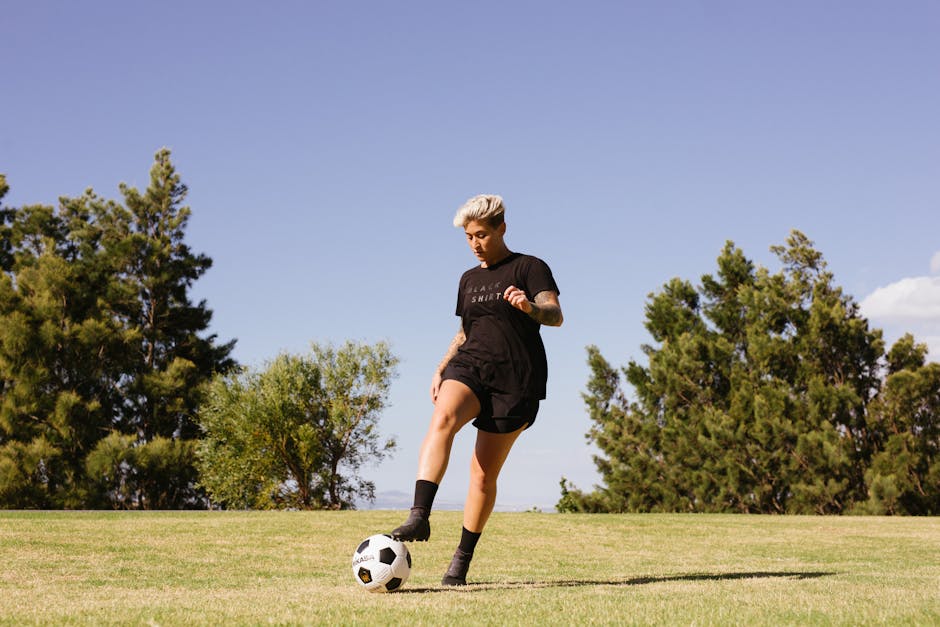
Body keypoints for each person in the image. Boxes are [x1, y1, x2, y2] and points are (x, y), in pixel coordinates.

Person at [391, 194, 563, 586]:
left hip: (516, 379)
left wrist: (530, 308)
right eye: (468, 236)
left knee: (483, 475)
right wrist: (440, 367)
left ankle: (461, 561)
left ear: (502, 228)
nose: (474, 243)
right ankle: (419, 516)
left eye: (481, 234)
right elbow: (466, 330)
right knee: (443, 417)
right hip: (470, 365)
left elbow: (556, 315)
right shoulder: (468, 279)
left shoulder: (529, 267)